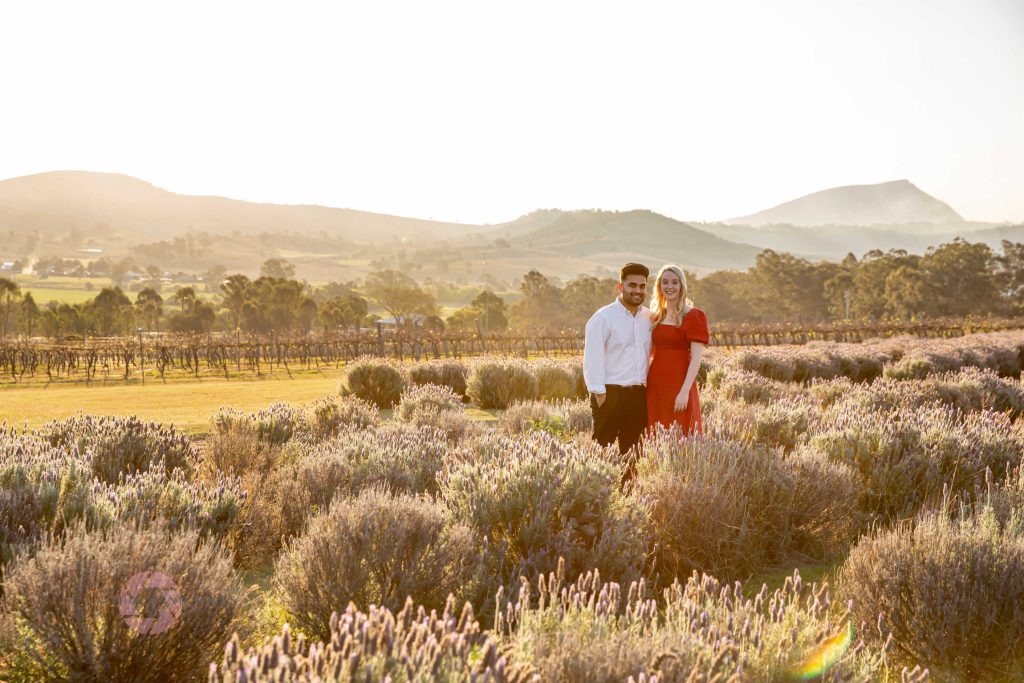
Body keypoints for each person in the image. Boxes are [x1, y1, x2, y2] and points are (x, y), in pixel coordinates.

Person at [583, 262, 652, 457]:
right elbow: (592, 357)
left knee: (633, 454)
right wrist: (599, 394)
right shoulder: (603, 317)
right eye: (632, 285)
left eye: (642, 286)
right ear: (620, 287)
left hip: (638, 397)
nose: (637, 290)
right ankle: (598, 488)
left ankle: (628, 489)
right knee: (601, 452)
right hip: (609, 394)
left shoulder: (648, 317)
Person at [646, 264, 709, 435]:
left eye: (674, 282)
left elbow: (696, 358)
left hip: (681, 382)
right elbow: (648, 352)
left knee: (682, 431)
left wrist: (684, 391)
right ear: (659, 286)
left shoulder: (694, 315)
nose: (670, 287)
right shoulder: (655, 316)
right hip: (656, 383)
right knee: (655, 430)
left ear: (681, 286)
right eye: (665, 282)